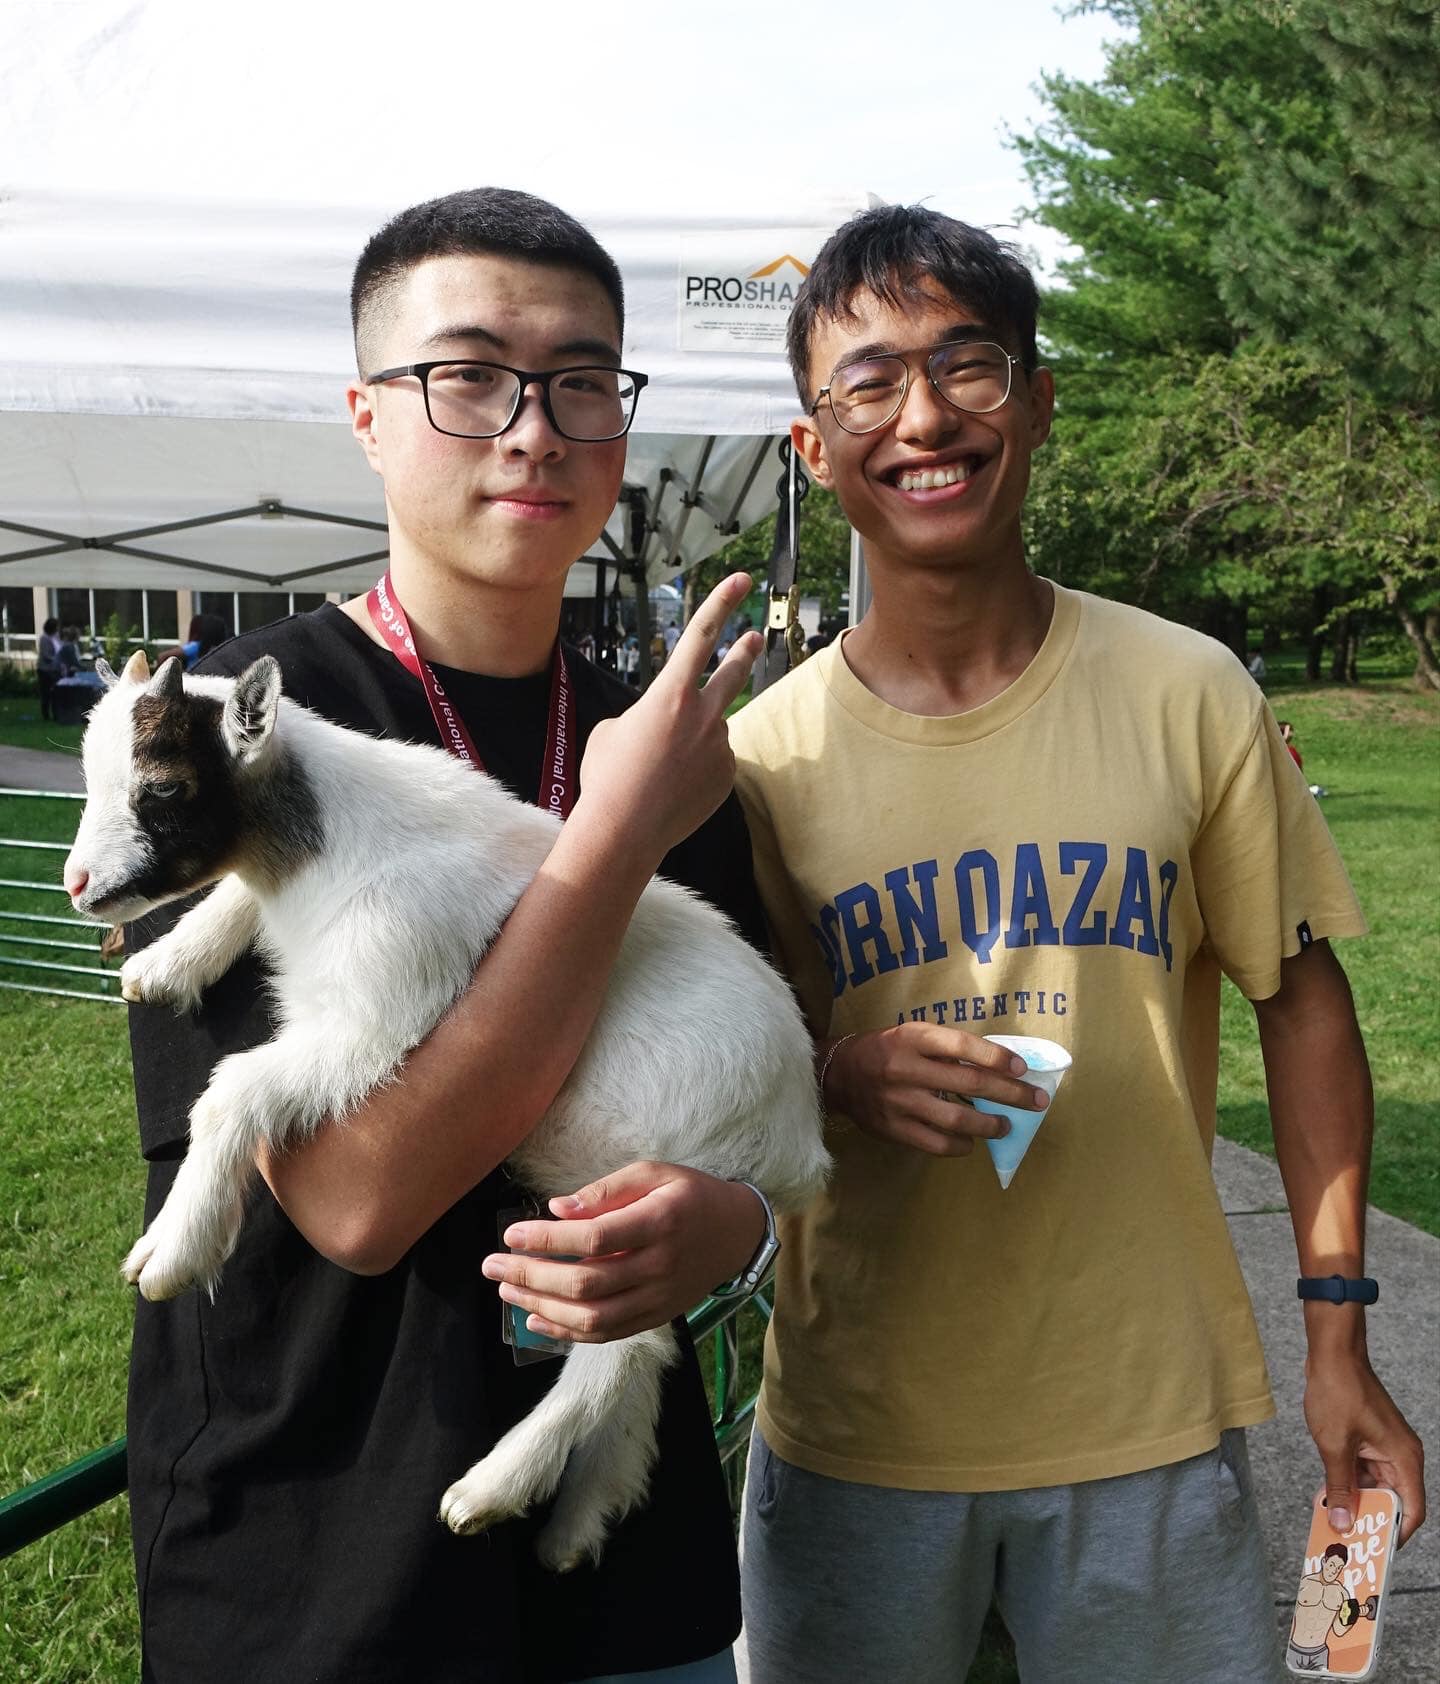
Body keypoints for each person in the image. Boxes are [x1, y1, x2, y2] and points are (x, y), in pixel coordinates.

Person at [728, 204, 1425, 1684]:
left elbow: (1303, 1006)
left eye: (967, 366)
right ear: (814, 445)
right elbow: (735, 1058)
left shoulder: (1191, 691)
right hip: (857, 1427)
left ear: (1038, 402)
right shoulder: (758, 761)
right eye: (869, 383)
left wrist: (1338, 1329)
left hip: (1145, 1424)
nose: (925, 418)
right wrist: (839, 1073)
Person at [124, 186, 772, 1684]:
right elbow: (356, 1197)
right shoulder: (229, 733)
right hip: (317, 1561)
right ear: (367, 415)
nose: (533, 430)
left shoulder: (663, 743)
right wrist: (610, 842)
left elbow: (742, 1110)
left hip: (624, 1565)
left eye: (581, 381)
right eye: (468, 377)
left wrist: (731, 1224)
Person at [35, 616, 61, 720]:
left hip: (55, 669)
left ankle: (56, 714)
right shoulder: (44, 638)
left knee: (55, 693)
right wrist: (56, 659)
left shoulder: (56, 637)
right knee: (45, 693)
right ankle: (45, 715)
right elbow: (46, 655)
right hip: (45, 670)